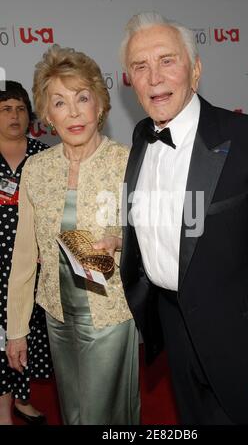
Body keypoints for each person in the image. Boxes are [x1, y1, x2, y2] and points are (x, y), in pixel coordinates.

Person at [119, 12, 248, 425]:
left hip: (241, 338)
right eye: (140, 67)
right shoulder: (140, 138)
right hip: (171, 329)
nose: (154, 77)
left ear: (195, 69)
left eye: (167, 60)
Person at [6, 45, 140, 425]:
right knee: (75, 412)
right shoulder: (36, 168)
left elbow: (155, 234)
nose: (75, 112)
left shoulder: (127, 161)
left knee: (105, 416)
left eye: (83, 98)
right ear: (47, 115)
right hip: (57, 315)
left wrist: (121, 241)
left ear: (100, 104)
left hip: (110, 313)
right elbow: (23, 254)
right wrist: (16, 330)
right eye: (60, 103)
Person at [0, 81, 52, 425]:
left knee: (26, 335)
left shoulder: (44, 156)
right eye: (5, 109)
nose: (14, 116)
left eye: (20, 108)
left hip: (31, 268)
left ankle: (21, 398)